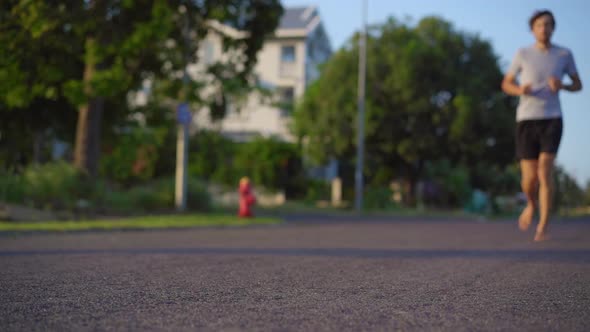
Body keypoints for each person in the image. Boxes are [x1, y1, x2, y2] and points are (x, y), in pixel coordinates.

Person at [501, 9, 582, 241]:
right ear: (532, 29)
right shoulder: (523, 53)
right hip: (526, 119)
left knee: (545, 172)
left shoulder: (564, 54)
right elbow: (506, 83)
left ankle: (544, 225)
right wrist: (519, 90)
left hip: (552, 118)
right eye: (539, 25)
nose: (543, 28)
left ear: (553, 28)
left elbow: (578, 84)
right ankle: (531, 204)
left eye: (547, 24)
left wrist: (563, 86)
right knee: (529, 179)